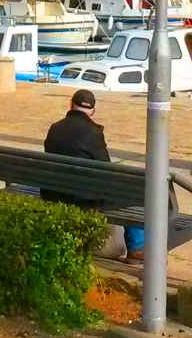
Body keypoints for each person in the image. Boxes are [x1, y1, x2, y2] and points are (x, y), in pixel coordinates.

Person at [43, 90, 145, 264]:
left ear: (70, 104)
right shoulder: (93, 132)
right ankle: (137, 248)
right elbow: (105, 168)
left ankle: (136, 248)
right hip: (82, 198)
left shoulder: (55, 128)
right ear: (92, 111)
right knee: (136, 191)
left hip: (53, 192)